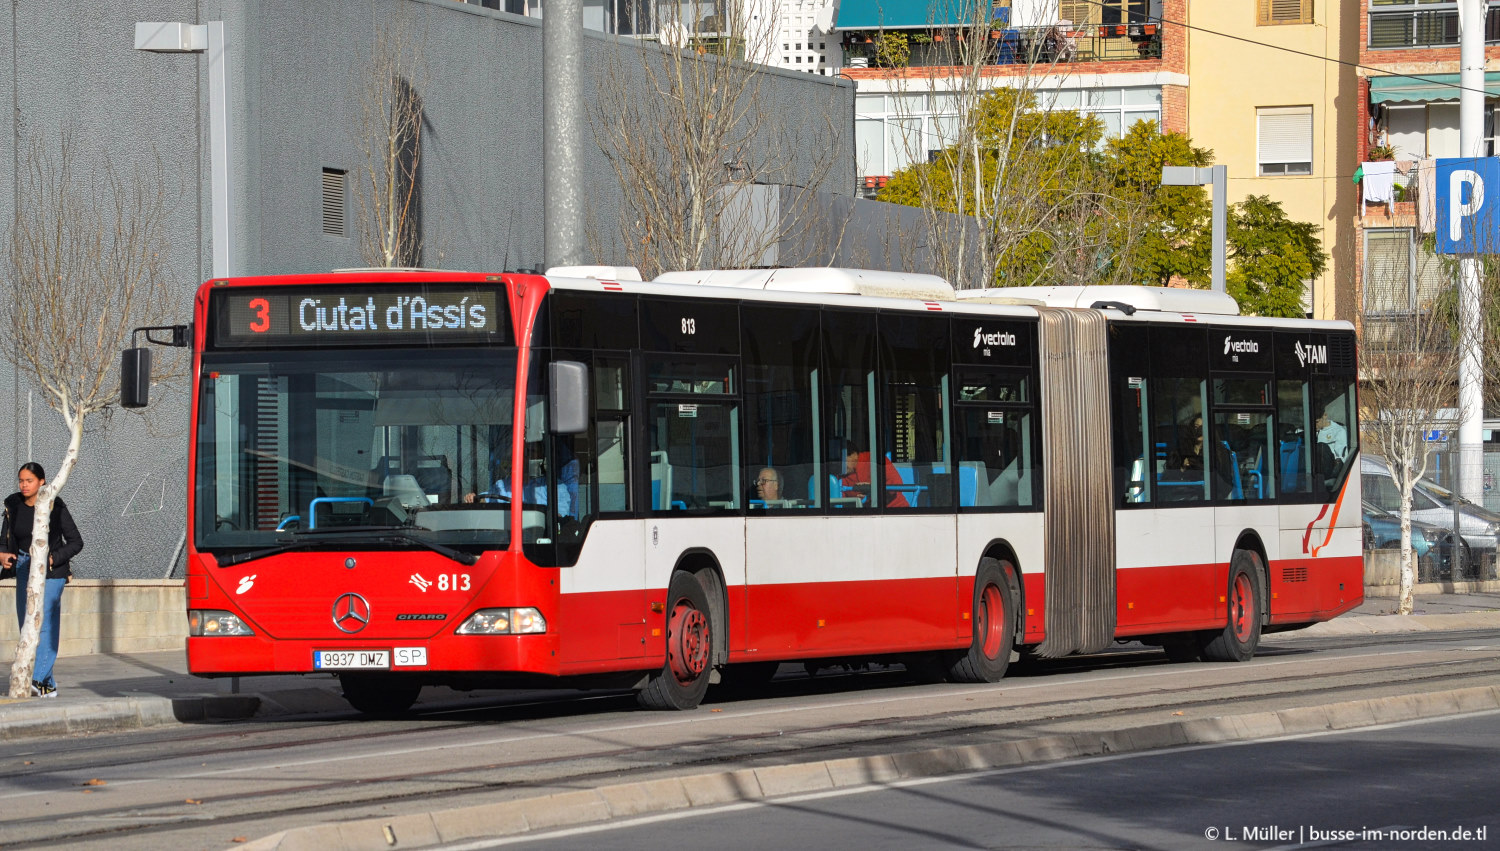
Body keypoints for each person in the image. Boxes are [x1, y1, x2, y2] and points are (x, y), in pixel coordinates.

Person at [0, 463, 82, 699]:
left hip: (52, 572)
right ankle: (48, 686)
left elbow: (76, 542)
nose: (24, 485)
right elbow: (4, 540)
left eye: (29, 481)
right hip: (25, 566)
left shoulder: (55, 506)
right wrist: (3, 555)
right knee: (26, 626)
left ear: (42, 482)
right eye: (21, 480)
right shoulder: (13, 505)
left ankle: (35, 679)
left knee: (44, 624)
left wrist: (53, 558)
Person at [840, 443, 909, 508]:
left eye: (842, 460)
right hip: (863, 515)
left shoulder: (874, 459)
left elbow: (896, 484)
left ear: (854, 455)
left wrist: (873, 491)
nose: (839, 465)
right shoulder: (840, 474)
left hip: (895, 510)